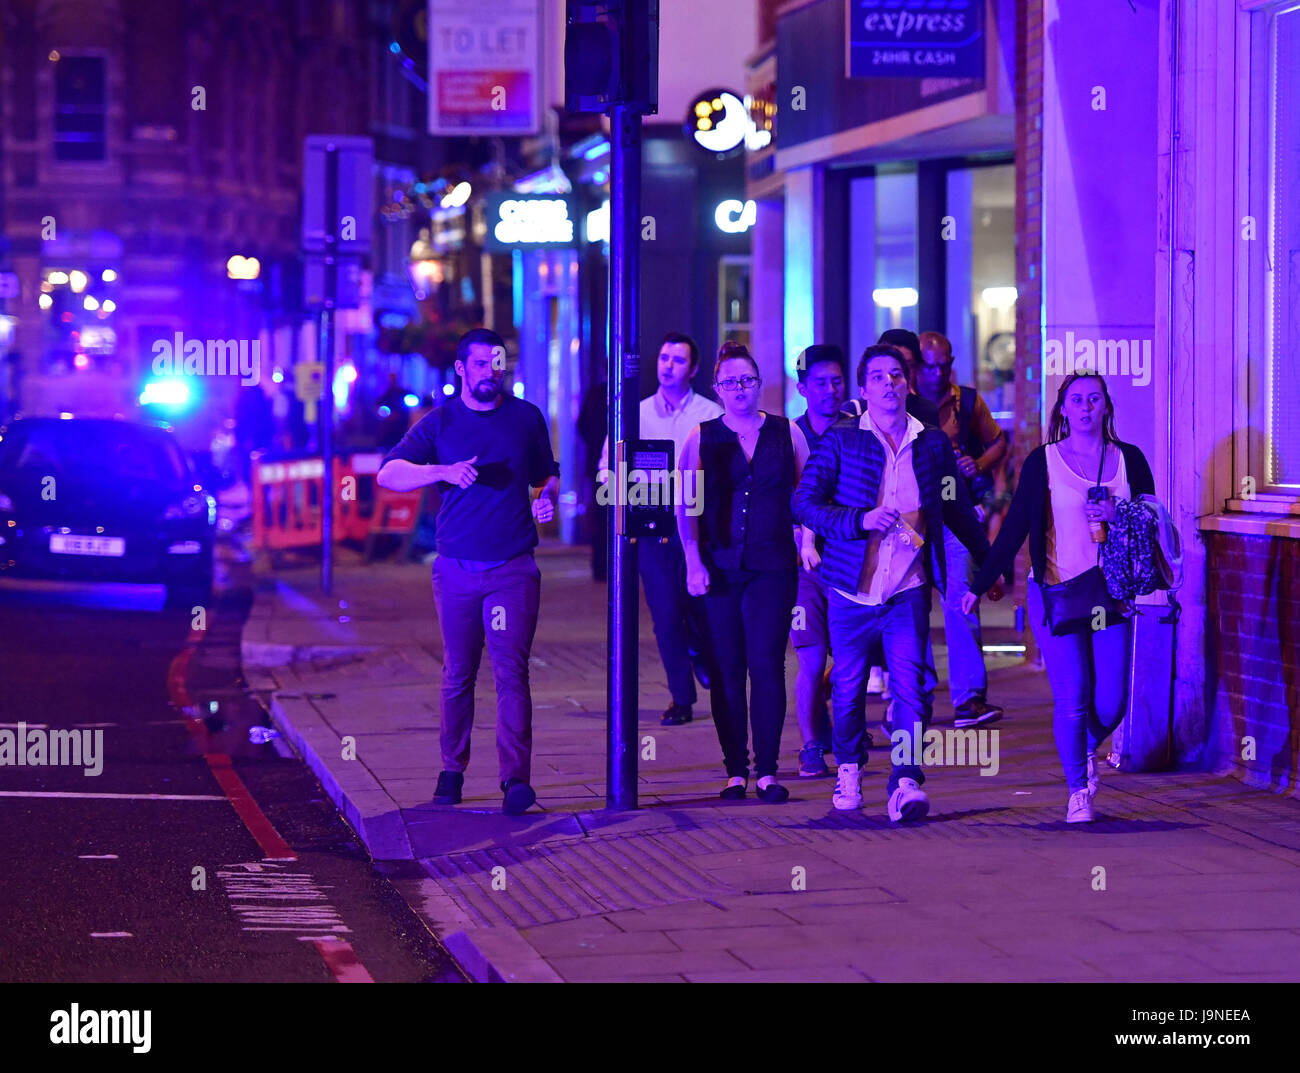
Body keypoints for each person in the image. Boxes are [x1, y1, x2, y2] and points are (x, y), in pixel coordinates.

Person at [794, 344, 998, 822]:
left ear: (907, 384)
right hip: (850, 590)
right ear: (864, 389)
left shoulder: (930, 443)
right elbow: (805, 504)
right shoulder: (842, 440)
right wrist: (859, 519)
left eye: (896, 375)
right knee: (847, 688)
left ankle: (906, 781)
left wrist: (989, 568)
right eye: (878, 377)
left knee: (911, 689)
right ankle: (848, 768)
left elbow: (957, 510)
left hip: (906, 589)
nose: (889, 384)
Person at [376, 329, 559, 816]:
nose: (490, 372)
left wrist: (546, 500)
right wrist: (440, 471)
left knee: (510, 673)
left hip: (512, 569)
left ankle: (515, 779)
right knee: (458, 673)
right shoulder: (441, 422)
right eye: (480, 364)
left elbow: (545, 473)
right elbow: (388, 473)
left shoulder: (525, 417)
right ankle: (451, 770)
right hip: (456, 571)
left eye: (496, 364)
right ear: (461, 369)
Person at [963, 372, 1154, 824]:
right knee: (1073, 696)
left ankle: (1085, 746)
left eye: (1094, 399)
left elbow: (1153, 521)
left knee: (1111, 702)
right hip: (1055, 592)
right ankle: (1077, 789)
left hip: (1113, 596)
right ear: (1063, 410)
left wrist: (1118, 511)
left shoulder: (1130, 459)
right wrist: (979, 585)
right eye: (1076, 400)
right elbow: (1012, 530)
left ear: (1106, 406)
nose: (1085, 407)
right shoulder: (1042, 462)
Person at [679, 342, 810, 803]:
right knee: (727, 668)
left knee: (767, 663)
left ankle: (769, 770)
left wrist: (807, 541)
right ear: (716, 388)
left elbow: (805, 495)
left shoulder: (787, 432)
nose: (740, 389)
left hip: (773, 565)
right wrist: (693, 561)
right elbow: (687, 505)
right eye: (730, 382)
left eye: (747, 381)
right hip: (718, 566)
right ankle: (736, 770)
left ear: (759, 384)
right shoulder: (701, 436)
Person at [599, 332, 724, 726]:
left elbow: (721, 471)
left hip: (700, 525)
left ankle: (705, 659)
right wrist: (624, 487)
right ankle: (681, 696)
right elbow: (606, 469)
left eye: (678, 360)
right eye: (664, 358)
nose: (668, 366)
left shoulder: (708, 414)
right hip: (652, 526)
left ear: (694, 369)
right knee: (665, 612)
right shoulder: (634, 414)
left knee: (703, 606)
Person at [914, 330, 1008, 728]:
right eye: (930, 365)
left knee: (961, 600)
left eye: (944, 364)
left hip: (955, 511)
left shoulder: (966, 401)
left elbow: (998, 442)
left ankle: (969, 699)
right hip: (911, 515)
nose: (938, 373)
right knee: (911, 606)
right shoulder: (902, 401)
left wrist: (979, 464)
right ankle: (913, 697)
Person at [790, 345, 849, 777]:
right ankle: (811, 745)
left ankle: (842, 732)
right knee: (811, 659)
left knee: (849, 659)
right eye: (821, 383)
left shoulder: (860, 432)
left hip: (851, 563)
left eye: (837, 381)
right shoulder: (787, 436)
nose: (830, 390)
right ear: (803, 388)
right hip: (803, 568)